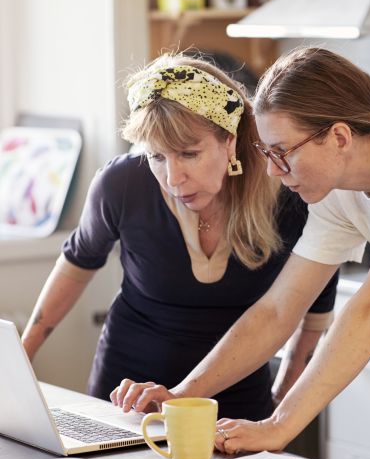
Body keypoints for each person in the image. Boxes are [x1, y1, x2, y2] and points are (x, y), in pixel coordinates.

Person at [112, 47, 370, 457]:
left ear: (339, 137)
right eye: (267, 153)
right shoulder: (339, 193)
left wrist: (279, 426)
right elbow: (278, 310)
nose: (270, 170)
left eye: (281, 151)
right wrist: (181, 396)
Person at [22, 52, 338, 421]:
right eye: (157, 156)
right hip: (126, 394)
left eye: (189, 154)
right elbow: (76, 263)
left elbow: (313, 311)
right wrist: (21, 356)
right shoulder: (123, 184)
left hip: (234, 398)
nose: (173, 179)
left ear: (229, 140)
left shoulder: (288, 194)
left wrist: (280, 407)